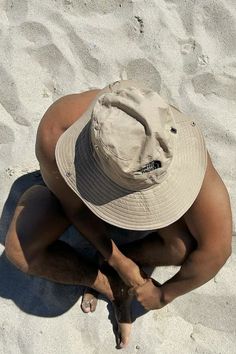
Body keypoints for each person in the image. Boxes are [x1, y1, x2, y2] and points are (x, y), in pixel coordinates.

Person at [4, 79, 232, 348]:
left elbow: (217, 250)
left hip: (109, 181)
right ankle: (107, 285)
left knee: (179, 248)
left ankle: (116, 272)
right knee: (19, 251)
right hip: (74, 192)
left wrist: (163, 295)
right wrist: (119, 265)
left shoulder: (168, 141)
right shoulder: (58, 132)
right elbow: (75, 210)